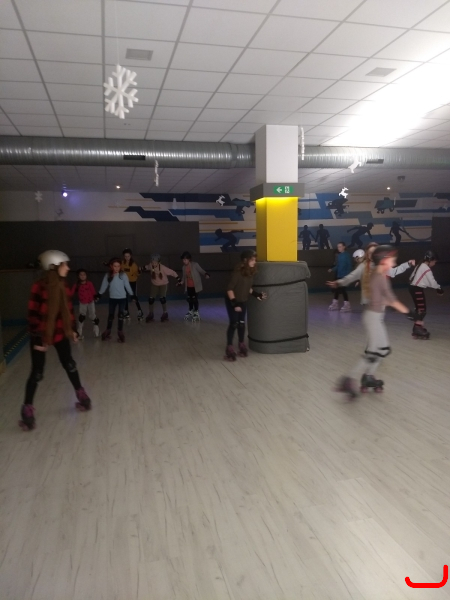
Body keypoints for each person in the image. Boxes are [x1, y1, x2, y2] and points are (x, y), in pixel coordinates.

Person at [19, 250, 92, 431]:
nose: (68, 268)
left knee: (69, 364)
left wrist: (72, 330)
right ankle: (27, 409)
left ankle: (82, 395)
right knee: (37, 372)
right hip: (41, 333)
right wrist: (38, 339)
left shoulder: (63, 285)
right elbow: (33, 315)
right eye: (64, 264)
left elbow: (68, 310)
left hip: (59, 331)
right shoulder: (39, 287)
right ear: (53, 267)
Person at [336, 245, 417, 399]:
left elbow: (384, 298)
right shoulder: (379, 277)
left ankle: (367, 376)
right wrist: (410, 313)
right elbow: (392, 300)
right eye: (392, 260)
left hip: (375, 316)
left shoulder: (377, 273)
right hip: (372, 318)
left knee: (384, 350)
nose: (394, 262)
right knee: (373, 353)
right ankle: (349, 379)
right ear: (384, 260)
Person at [327, 242, 415, 304]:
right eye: (370, 253)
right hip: (368, 301)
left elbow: (394, 272)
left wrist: (408, 264)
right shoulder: (363, 266)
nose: (372, 255)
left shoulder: (382, 266)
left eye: (374, 252)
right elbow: (351, 277)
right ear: (367, 254)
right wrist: (338, 282)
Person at [225, 250, 267, 360]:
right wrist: (234, 303)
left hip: (243, 301)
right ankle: (229, 346)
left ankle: (241, 343)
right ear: (245, 260)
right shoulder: (237, 273)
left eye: (255, 260)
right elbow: (229, 289)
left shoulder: (250, 273)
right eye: (252, 260)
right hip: (232, 300)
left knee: (242, 323)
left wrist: (256, 294)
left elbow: (248, 288)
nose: (254, 262)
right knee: (234, 323)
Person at [409, 250, 444, 340]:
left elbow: (412, 277)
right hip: (417, 289)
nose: (434, 263)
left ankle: (417, 328)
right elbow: (432, 282)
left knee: (419, 309)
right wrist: (439, 289)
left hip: (413, 288)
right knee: (422, 310)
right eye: (434, 261)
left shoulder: (420, 265)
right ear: (430, 260)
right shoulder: (426, 268)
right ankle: (417, 328)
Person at [97, 257, 134, 342]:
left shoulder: (123, 275)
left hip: (122, 298)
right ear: (111, 266)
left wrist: (132, 295)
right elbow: (104, 285)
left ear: (120, 266)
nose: (117, 268)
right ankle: (108, 331)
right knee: (111, 315)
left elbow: (127, 286)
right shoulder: (108, 275)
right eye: (115, 266)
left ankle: (120, 332)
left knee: (121, 315)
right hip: (112, 298)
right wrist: (99, 294)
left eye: (118, 266)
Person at [141, 254, 180, 322]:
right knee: (151, 299)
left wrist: (178, 279)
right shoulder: (151, 265)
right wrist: (140, 269)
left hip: (163, 284)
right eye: (152, 262)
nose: (154, 264)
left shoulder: (163, 268)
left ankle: (165, 313)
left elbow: (172, 272)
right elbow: (146, 267)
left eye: (155, 263)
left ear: (159, 262)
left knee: (162, 298)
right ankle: (151, 313)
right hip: (154, 284)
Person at [179, 251, 210, 321]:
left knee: (194, 299)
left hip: (196, 286)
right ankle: (190, 311)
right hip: (188, 286)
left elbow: (201, 271)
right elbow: (184, 277)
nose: (184, 261)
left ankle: (196, 311)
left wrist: (206, 274)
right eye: (183, 260)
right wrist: (181, 283)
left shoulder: (195, 265)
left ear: (189, 259)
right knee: (189, 299)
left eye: (185, 260)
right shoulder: (184, 267)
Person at [71, 268, 99, 339]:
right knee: (82, 317)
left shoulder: (89, 283)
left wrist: (95, 297)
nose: (83, 276)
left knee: (93, 316)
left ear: (86, 275)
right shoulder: (77, 285)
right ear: (78, 276)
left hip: (90, 302)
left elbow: (93, 291)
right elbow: (71, 293)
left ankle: (96, 330)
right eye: (81, 275)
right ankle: (79, 333)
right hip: (83, 303)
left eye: (84, 275)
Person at [328, 242, 352, 312]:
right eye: (338, 247)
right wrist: (332, 269)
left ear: (344, 247)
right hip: (339, 275)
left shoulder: (347, 255)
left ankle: (347, 304)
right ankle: (335, 303)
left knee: (343, 290)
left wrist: (347, 275)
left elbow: (349, 266)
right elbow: (338, 266)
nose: (339, 248)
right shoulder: (339, 256)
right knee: (337, 290)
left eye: (340, 246)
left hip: (344, 276)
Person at [121, 248, 144, 322]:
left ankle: (140, 311)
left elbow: (137, 273)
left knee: (134, 297)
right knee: (124, 297)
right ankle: (126, 311)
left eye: (128, 256)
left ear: (130, 256)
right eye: (125, 256)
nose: (127, 258)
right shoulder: (122, 263)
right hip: (124, 282)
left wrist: (139, 271)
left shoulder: (133, 265)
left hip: (132, 282)